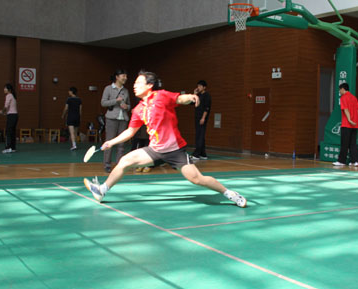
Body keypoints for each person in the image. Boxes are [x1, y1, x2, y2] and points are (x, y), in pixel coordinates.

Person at [84, 70, 247, 207]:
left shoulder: (161, 96)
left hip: (175, 151)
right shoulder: (139, 109)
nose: (134, 85)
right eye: (134, 83)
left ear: (149, 85)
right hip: (155, 150)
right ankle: (102, 190)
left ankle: (229, 193)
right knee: (125, 161)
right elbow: (130, 131)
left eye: (138, 83)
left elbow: (179, 99)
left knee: (197, 179)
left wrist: (190, 96)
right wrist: (111, 142)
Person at [101, 69, 130, 173]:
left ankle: (119, 165)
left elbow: (129, 105)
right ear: (117, 77)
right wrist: (115, 101)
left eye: (126, 76)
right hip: (111, 119)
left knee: (121, 144)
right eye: (123, 76)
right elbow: (103, 103)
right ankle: (107, 165)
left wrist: (127, 106)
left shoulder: (126, 91)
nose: (125, 78)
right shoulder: (108, 89)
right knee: (109, 142)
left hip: (123, 119)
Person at [333, 83, 358, 166]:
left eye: (339, 89)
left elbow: (345, 109)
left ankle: (341, 161)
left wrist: (349, 120)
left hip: (346, 124)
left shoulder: (343, 97)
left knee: (344, 144)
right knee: (353, 144)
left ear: (342, 89)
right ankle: (354, 161)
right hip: (355, 125)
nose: (339, 91)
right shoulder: (354, 98)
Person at [191, 80, 211, 160]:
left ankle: (196, 154)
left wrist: (203, 118)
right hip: (197, 117)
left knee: (200, 135)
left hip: (202, 118)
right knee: (199, 135)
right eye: (198, 86)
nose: (198, 87)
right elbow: (192, 103)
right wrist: (194, 94)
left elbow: (207, 108)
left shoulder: (207, 96)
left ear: (204, 87)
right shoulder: (198, 95)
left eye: (200, 86)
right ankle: (203, 154)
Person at [61, 87, 82, 151]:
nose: (68, 92)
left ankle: (74, 145)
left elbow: (66, 108)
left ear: (71, 92)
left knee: (71, 132)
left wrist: (63, 115)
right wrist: (80, 117)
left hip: (70, 117)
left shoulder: (69, 99)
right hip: (77, 117)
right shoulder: (79, 100)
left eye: (69, 91)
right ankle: (75, 144)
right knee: (75, 132)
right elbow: (80, 110)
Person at [1, 83, 18, 153]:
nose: (4, 89)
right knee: (12, 132)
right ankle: (13, 148)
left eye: (5, 88)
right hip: (15, 116)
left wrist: (2, 111)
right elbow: (10, 108)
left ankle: (8, 148)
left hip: (11, 116)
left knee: (8, 132)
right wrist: (4, 112)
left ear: (9, 90)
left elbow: (6, 106)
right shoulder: (13, 96)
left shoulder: (8, 95)